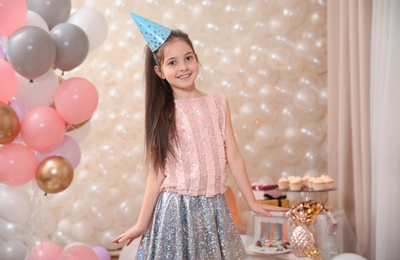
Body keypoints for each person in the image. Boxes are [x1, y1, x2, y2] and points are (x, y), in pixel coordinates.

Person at [113, 13, 289, 259]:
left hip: (215, 207)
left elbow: (234, 157)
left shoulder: (218, 103)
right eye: (172, 62)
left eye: (188, 58)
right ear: (159, 71)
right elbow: (157, 172)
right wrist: (142, 223)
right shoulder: (163, 114)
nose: (183, 67)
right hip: (175, 210)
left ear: (196, 59)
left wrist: (251, 202)